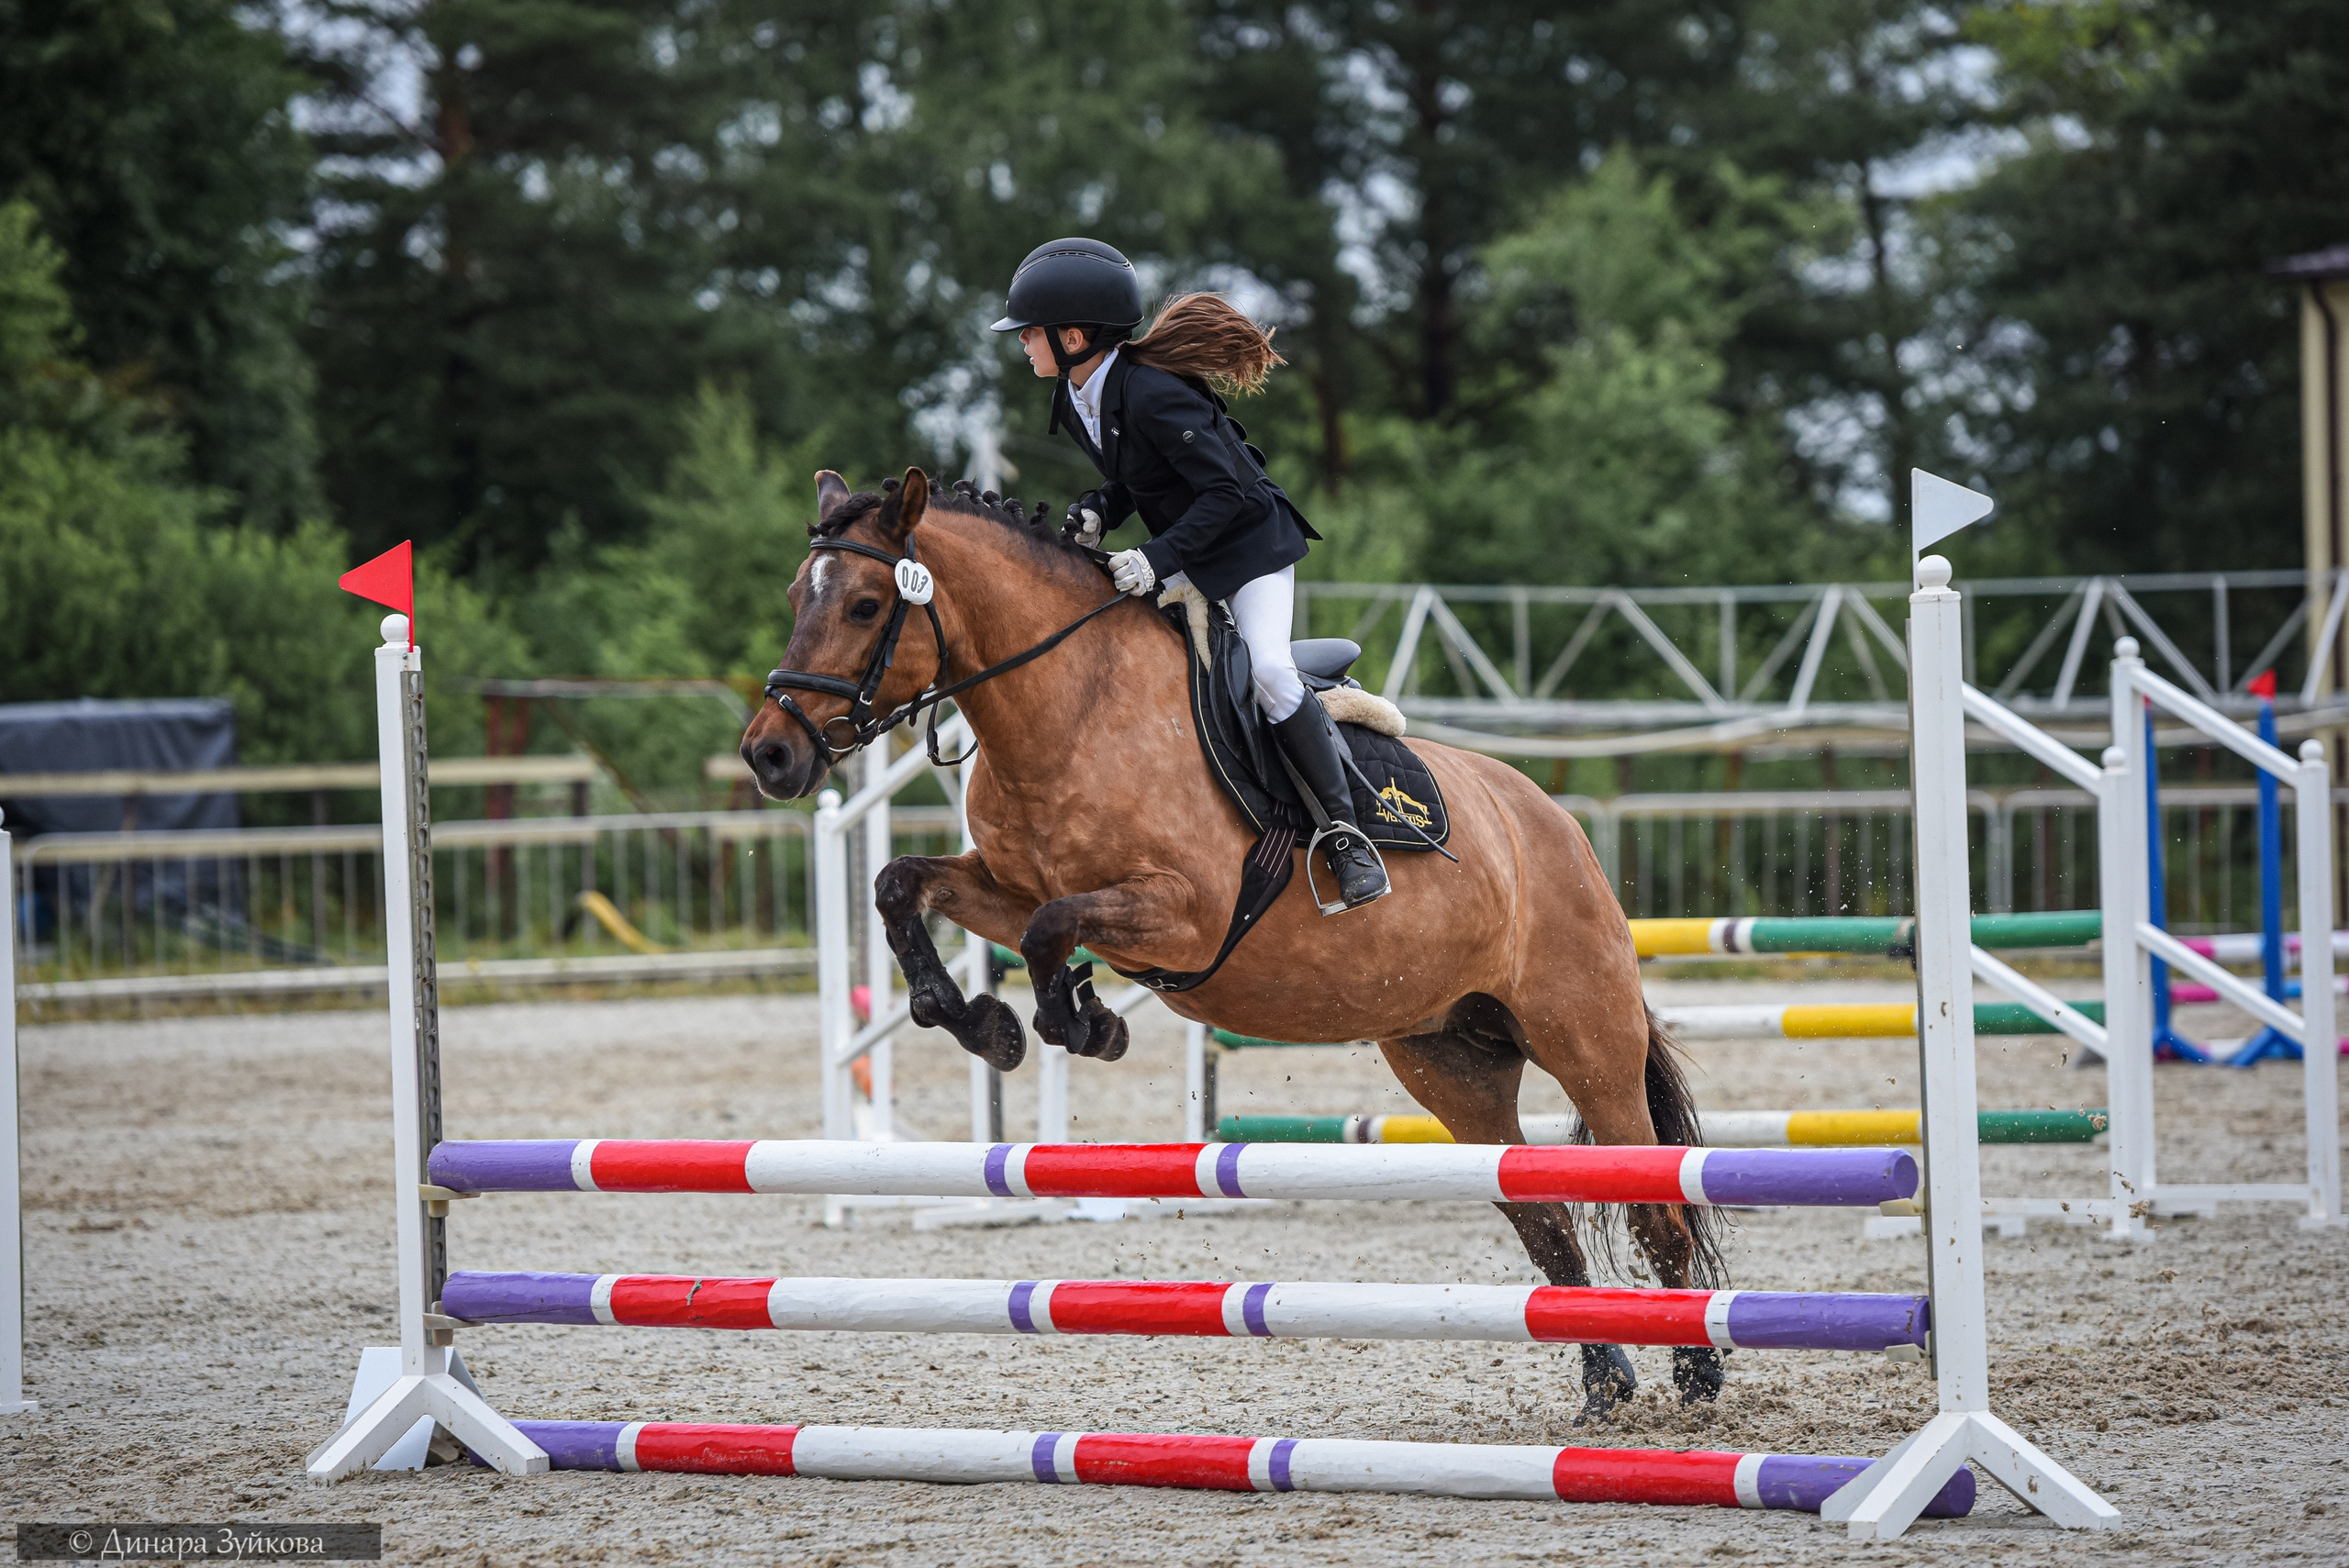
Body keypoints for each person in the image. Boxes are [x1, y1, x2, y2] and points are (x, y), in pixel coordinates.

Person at [990, 237, 1389, 912]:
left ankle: (1347, 836)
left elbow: (1228, 494)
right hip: (1189, 554)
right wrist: (1098, 510)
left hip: (1250, 551)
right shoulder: (1078, 392)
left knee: (1266, 670)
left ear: (1075, 335)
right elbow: (1137, 479)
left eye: (1030, 331)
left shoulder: (1153, 393)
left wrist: (1154, 558)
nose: (1022, 342)